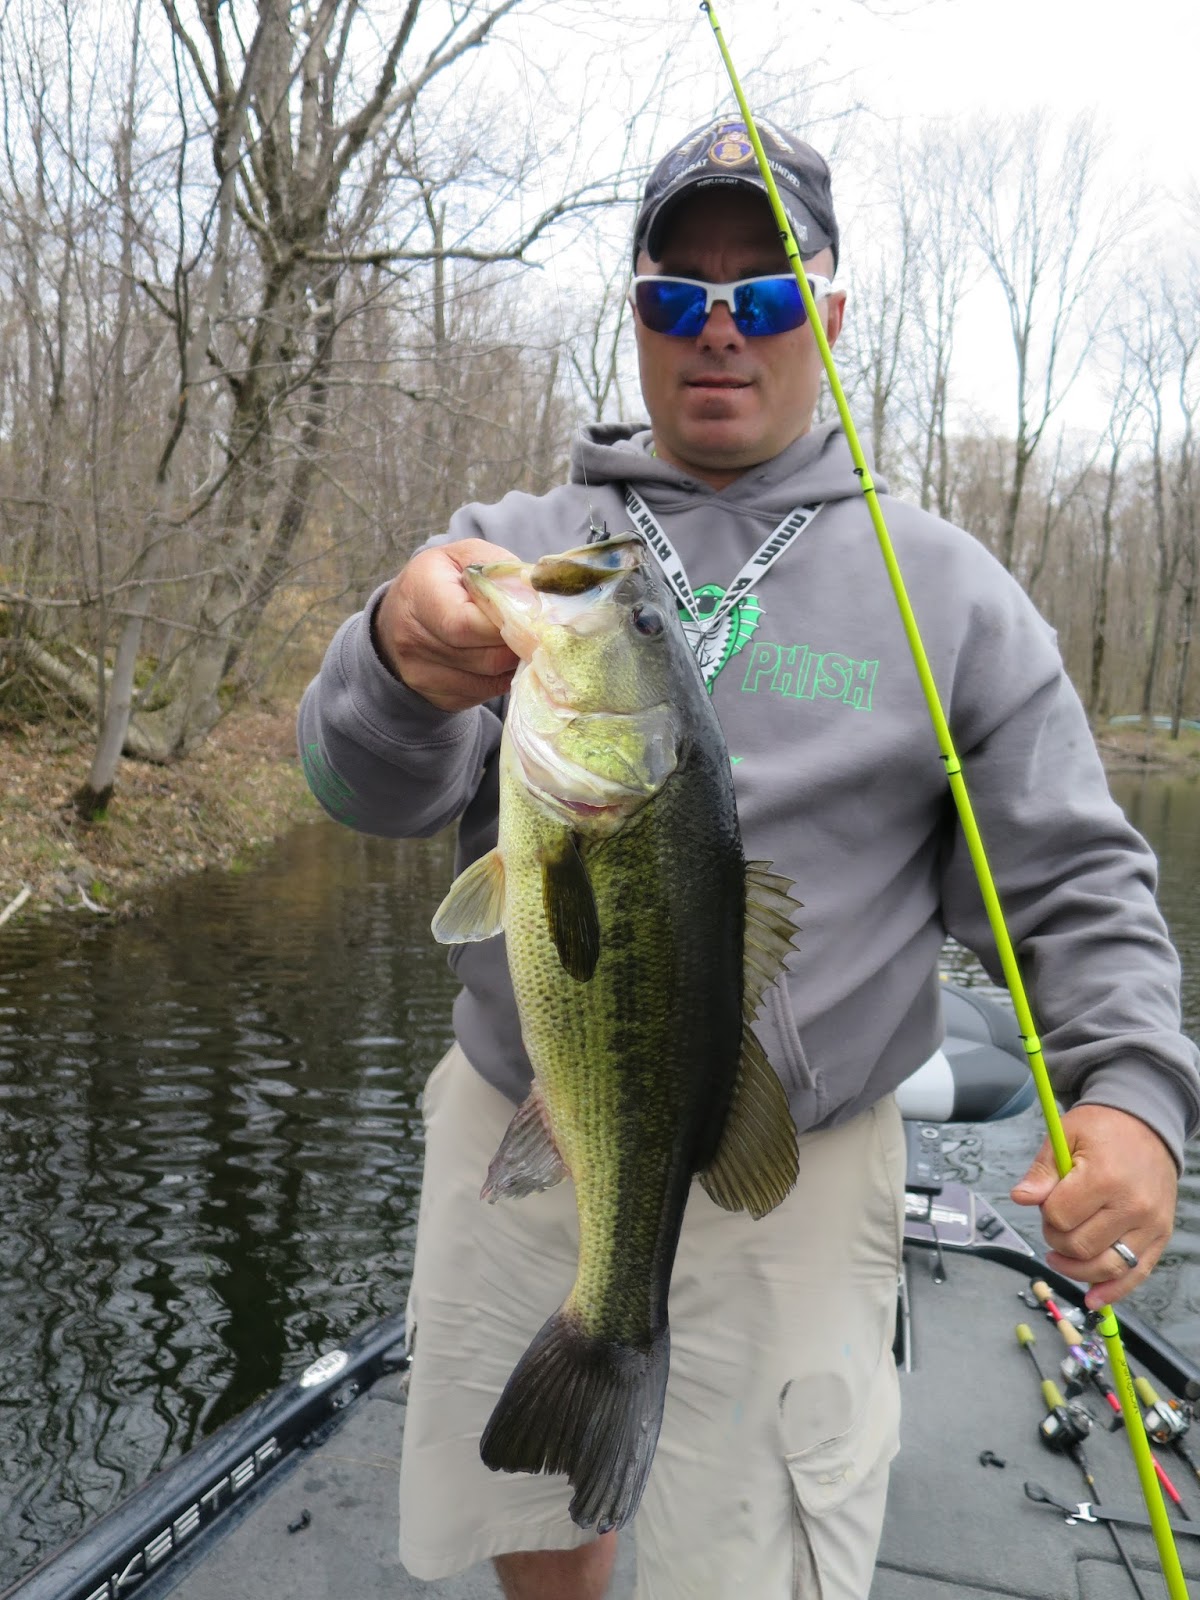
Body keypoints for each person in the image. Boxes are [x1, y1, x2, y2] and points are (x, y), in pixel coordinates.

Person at [297, 116, 1200, 1600]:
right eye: (679, 296)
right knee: (535, 1513)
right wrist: (392, 658)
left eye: (767, 296)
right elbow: (354, 786)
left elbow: (1078, 887)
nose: (722, 332)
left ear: (828, 319)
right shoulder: (523, 550)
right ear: (637, 314)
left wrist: (1137, 1101)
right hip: (526, 1115)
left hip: (796, 1166)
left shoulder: (948, 595)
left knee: (747, 1563)